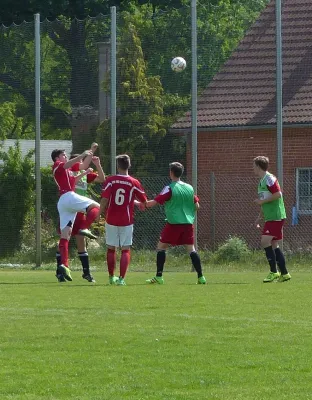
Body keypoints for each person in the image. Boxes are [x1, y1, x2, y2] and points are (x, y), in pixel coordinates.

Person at [144, 162, 206, 285]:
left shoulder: (169, 187)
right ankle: (201, 277)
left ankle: (159, 277)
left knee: (161, 247)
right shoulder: (189, 188)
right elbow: (197, 206)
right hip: (188, 224)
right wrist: (185, 210)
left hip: (174, 224)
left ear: (171, 173)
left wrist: (140, 202)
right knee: (191, 250)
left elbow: (151, 204)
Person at [52, 144, 100, 282]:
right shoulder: (57, 165)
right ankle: (85, 226)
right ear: (57, 158)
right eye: (63, 155)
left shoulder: (68, 170)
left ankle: (64, 265)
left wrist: (90, 152)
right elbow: (69, 164)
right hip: (67, 197)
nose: (65, 156)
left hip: (65, 203)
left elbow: (83, 166)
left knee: (65, 235)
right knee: (96, 206)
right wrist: (82, 154)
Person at [96, 154, 147, 286]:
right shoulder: (134, 182)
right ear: (129, 165)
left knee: (111, 248)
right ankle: (121, 279)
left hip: (111, 217)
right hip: (127, 219)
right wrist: (140, 204)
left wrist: (99, 213)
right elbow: (144, 201)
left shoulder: (111, 180)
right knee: (125, 249)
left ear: (118, 166)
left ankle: (111, 277)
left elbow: (105, 199)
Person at [253, 156, 291, 283]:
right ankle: (284, 273)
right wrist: (260, 215)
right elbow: (265, 199)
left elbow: (278, 194)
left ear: (258, 166)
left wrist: (262, 201)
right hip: (270, 217)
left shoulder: (269, 178)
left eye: (254, 166)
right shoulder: (262, 181)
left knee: (265, 241)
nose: (253, 168)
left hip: (276, 216)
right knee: (274, 244)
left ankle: (274, 272)